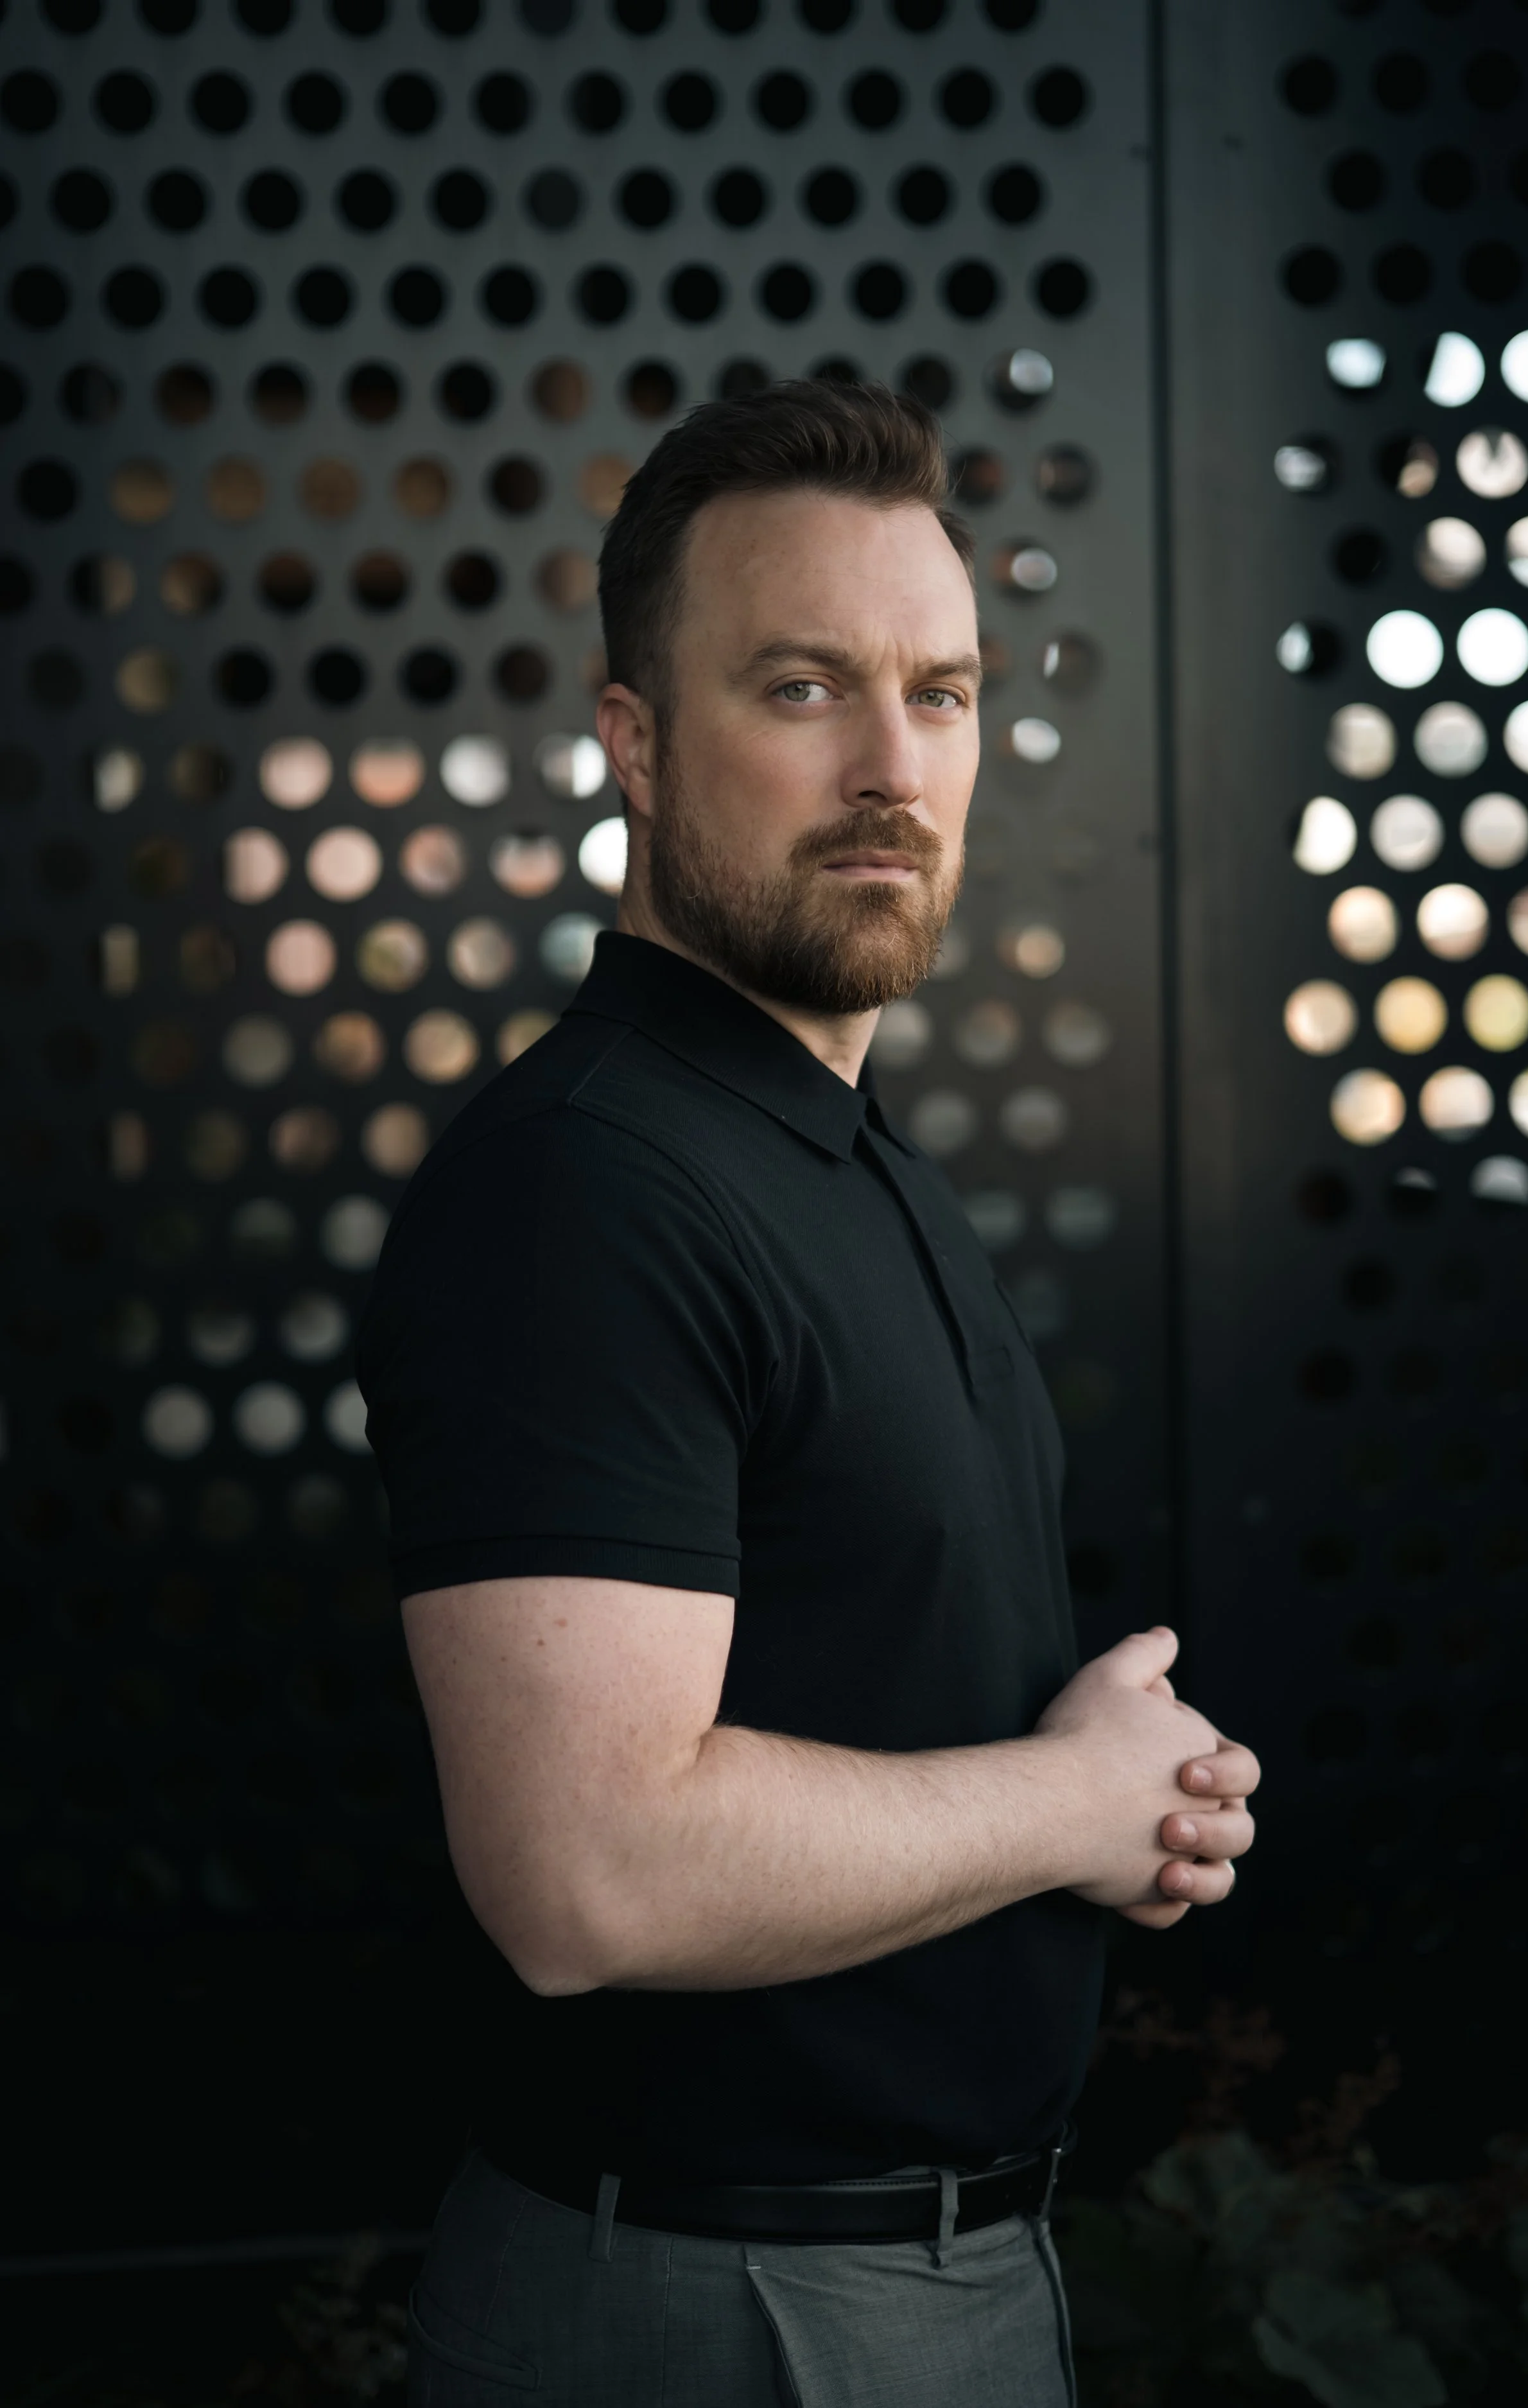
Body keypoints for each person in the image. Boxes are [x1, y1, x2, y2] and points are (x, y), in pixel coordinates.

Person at [355, 378, 1259, 2407]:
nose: (890, 765)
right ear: (633, 743)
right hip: (711, 2314)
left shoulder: (839, 1153)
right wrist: (1068, 1802)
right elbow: (584, 1869)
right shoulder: (580, 1189)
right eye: (800, 687)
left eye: (937, 694)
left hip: (917, 2278)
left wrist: (1120, 1803)